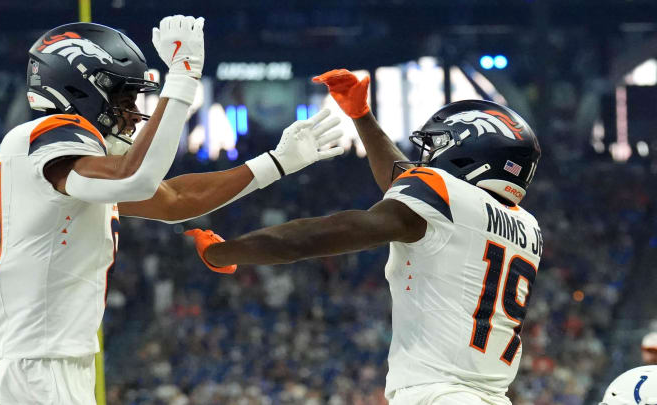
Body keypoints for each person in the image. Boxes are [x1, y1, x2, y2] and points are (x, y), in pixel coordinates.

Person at [0, 16, 343, 405]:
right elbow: (135, 176)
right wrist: (183, 79)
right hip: (39, 372)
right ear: (83, 86)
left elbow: (172, 201)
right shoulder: (46, 134)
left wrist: (275, 163)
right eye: (125, 98)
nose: (133, 112)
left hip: (51, 367)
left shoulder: (70, 166)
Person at [186, 69, 543, 404]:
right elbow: (405, 181)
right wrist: (361, 115)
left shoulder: (444, 198)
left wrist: (224, 252)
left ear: (470, 153)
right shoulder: (527, 227)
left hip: (436, 395)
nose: (428, 157)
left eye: (440, 145)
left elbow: (317, 236)